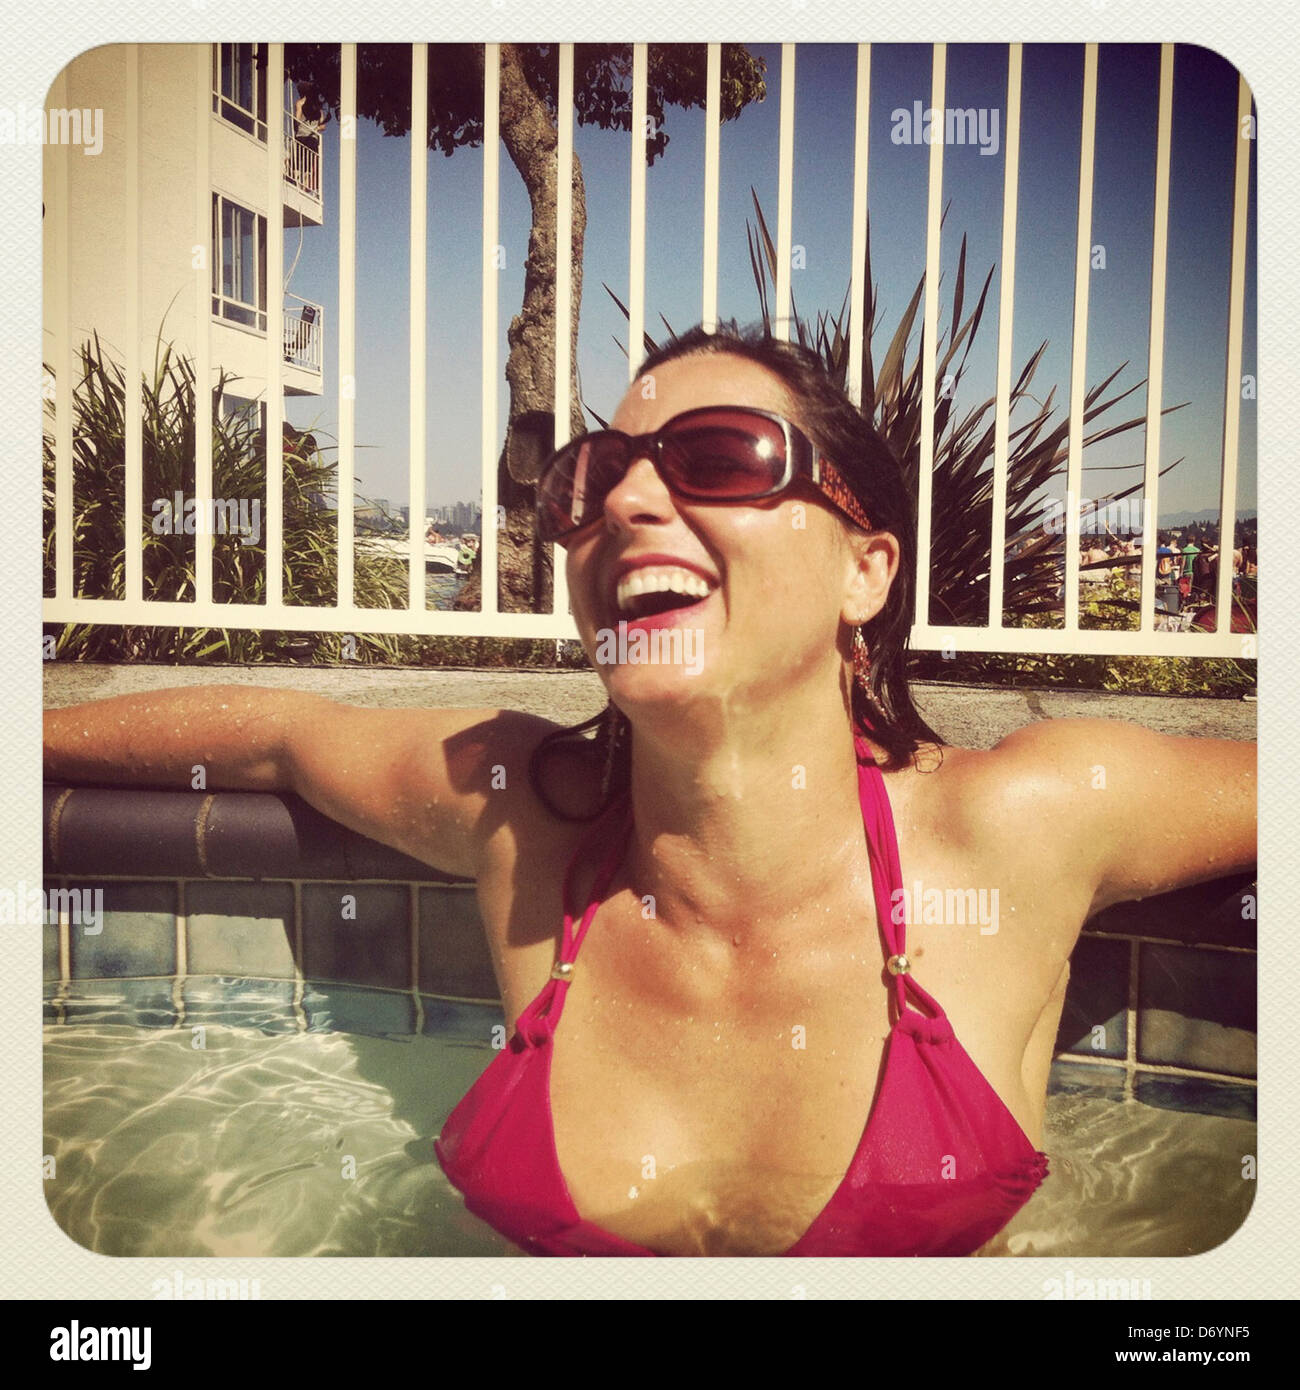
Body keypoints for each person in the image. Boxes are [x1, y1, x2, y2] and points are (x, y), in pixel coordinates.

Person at [43, 322, 1256, 1257]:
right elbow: (276, 737)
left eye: (718, 458)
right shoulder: (521, 811)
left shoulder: (1020, 827)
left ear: (866, 570)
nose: (622, 503)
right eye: (588, 480)